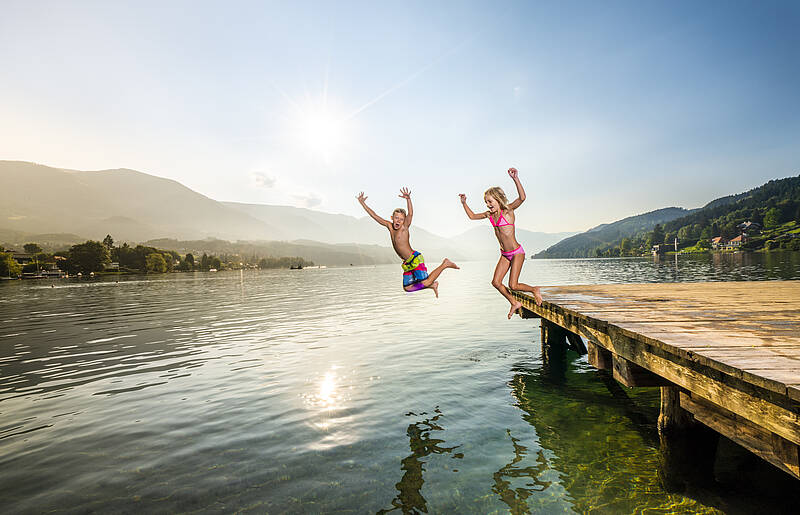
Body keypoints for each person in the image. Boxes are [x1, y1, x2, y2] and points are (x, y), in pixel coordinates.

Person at [459, 167, 542, 318]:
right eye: (486, 202)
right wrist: (464, 203)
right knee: (496, 282)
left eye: (490, 201)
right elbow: (471, 216)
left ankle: (534, 289)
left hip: (517, 253)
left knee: (513, 285)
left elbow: (522, 198)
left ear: (498, 200)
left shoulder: (508, 211)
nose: (488, 204)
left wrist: (515, 179)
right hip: (505, 254)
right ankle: (514, 303)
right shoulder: (489, 215)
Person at [358, 188, 458, 297]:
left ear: (404, 221)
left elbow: (410, 214)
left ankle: (445, 264)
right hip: (407, 263)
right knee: (407, 288)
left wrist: (408, 199)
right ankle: (432, 285)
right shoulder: (389, 226)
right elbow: (375, 216)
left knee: (426, 281)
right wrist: (363, 203)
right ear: (392, 218)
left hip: (415, 259)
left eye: (401, 219)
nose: (398, 221)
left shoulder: (404, 227)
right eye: (396, 218)